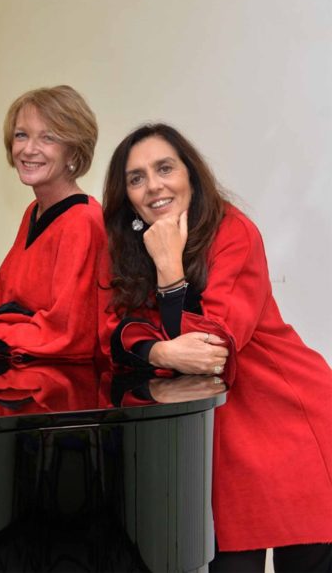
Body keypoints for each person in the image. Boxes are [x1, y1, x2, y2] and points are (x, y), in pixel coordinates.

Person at [104, 123, 332, 571]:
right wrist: (160, 352)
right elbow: (119, 331)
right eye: (136, 178)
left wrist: (169, 267)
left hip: (285, 417)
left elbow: (213, 346)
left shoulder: (234, 231)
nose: (153, 186)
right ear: (126, 196)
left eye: (165, 168)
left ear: (190, 174)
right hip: (220, 434)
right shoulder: (131, 247)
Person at [0, 85, 108, 360]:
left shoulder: (83, 221)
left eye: (48, 137)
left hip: (62, 383)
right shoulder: (34, 211)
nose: (29, 149)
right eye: (21, 135)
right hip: (21, 371)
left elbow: (68, 334)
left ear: (73, 151)